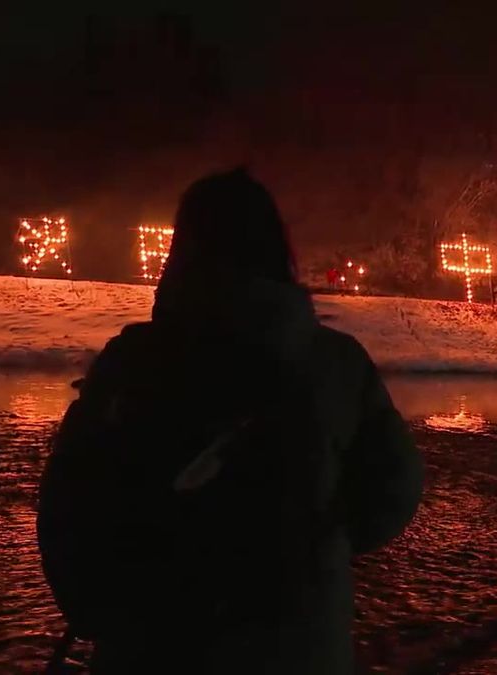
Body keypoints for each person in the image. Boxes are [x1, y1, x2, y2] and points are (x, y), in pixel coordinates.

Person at [37, 168, 423, 673]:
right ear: (277, 249)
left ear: (182, 251)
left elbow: (68, 506)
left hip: (152, 647)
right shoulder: (336, 365)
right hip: (296, 648)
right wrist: (324, 542)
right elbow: (395, 490)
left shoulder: (131, 363)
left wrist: (97, 611)